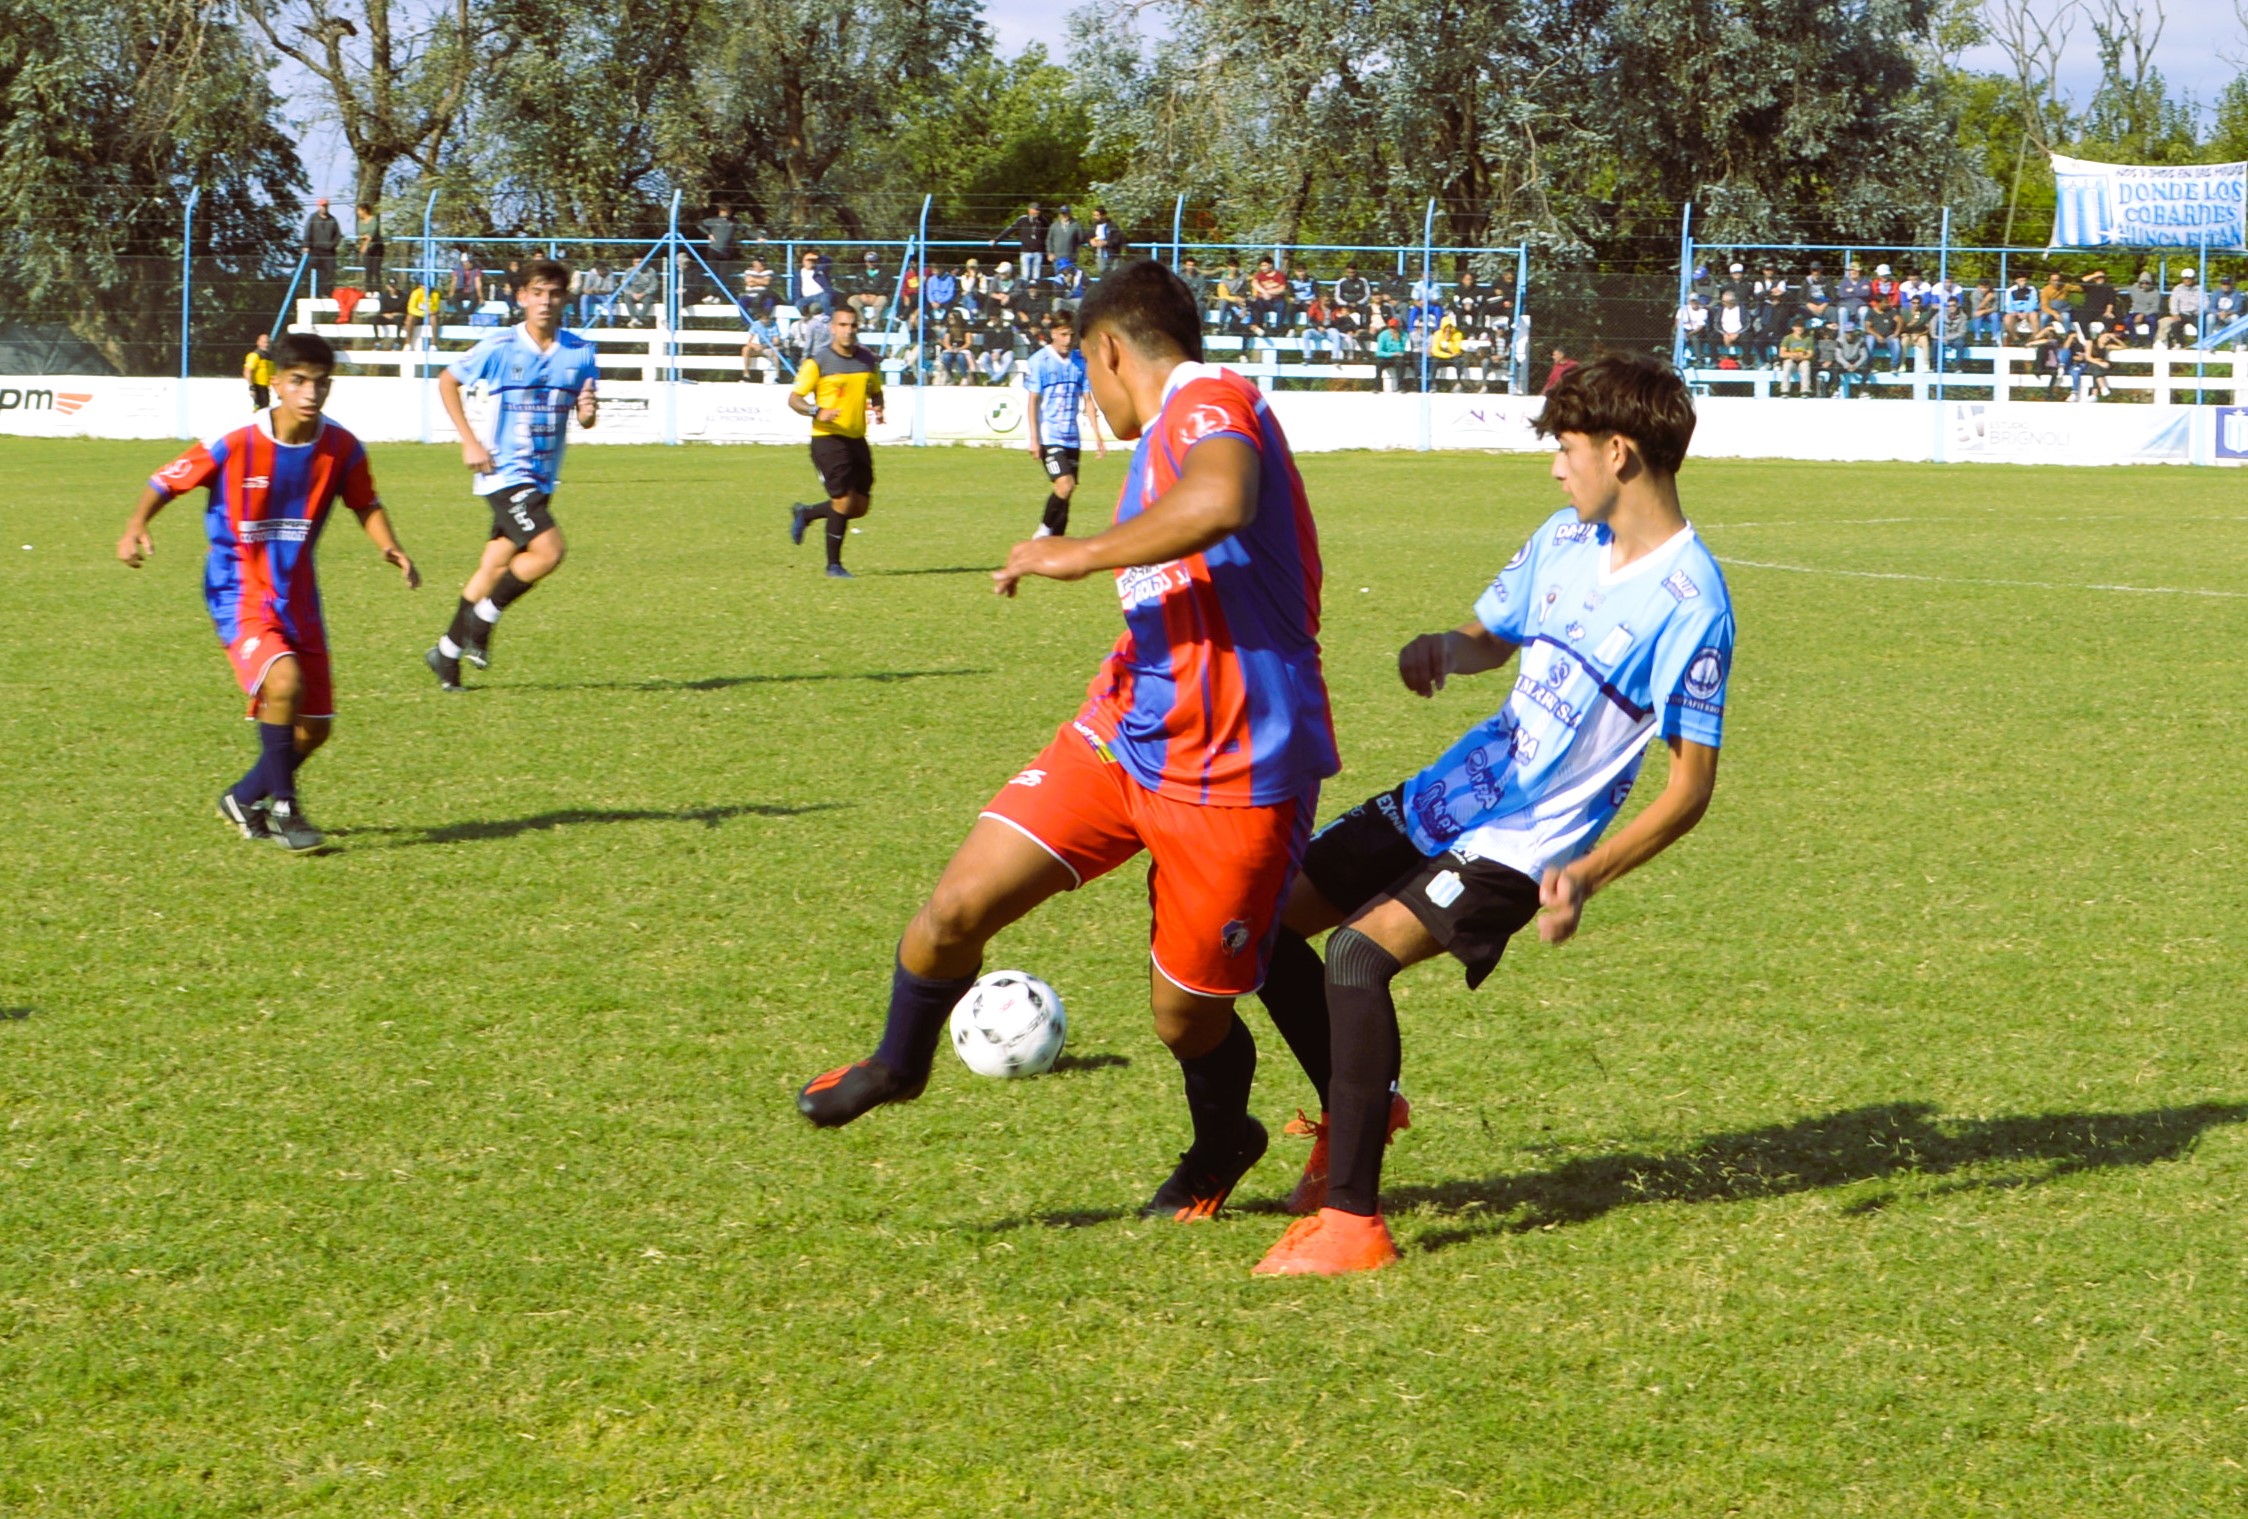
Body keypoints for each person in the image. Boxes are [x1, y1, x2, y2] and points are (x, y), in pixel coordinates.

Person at [793, 260, 1339, 1229]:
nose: (1089, 393)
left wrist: (1072, 551)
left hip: (1233, 769)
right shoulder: (1160, 437)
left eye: (1088, 371)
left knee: (1185, 1018)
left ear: (1109, 350)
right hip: (1121, 733)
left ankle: (1224, 1143)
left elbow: (1222, 500)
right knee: (956, 906)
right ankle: (896, 1063)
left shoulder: (1210, 398)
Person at [1250, 354, 1734, 1276]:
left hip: (1527, 843)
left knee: (1355, 954)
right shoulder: (1563, 537)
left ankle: (1353, 1222)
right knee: (1267, 922)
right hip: (1453, 793)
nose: (1557, 466)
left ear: (1620, 453)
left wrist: (1587, 872)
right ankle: (1364, 1105)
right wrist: (1447, 647)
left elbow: (1690, 786)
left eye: (1567, 447)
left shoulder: (1693, 604)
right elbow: (1494, 636)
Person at [117, 331, 421, 853]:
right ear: (275, 383)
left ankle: (244, 797)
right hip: (237, 587)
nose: (309, 392)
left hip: (299, 595)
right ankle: (284, 807)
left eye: (320, 383)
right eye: (298, 381)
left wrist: (389, 545)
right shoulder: (236, 440)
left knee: (317, 727)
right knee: (283, 683)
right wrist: (135, 525)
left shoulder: (341, 448)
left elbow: (364, 502)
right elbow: (167, 480)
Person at [424, 261, 600, 691]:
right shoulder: (499, 346)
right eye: (537, 292)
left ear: (565, 300)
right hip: (504, 472)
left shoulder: (581, 351)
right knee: (549, 551)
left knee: (495, 564)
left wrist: (588, 411)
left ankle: (446, 653)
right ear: (521, 297)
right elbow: (447, 382)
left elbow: (587, 409)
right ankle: (484, 620)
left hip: (542, 477)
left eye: (554, 293)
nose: (545, 301)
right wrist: (469, 440)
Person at [786, 305, 885, 579]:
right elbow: (794, 399)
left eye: (852, 325)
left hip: (856, 438)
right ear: (832, 328)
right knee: (842, 500)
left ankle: (806, 514)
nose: (848, 330)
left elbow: (875, 391)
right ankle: (834, 566)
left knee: (859, 506)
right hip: (827, 438)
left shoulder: (866, 359)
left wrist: (878, 407)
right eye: (842, 325)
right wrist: (817, 411)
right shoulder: (818, 362)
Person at [1021, 312, 1107, 538]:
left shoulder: (1080, 362)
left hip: (1071, 436)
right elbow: (1032, 402)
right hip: (1049, 435)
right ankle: (1042, 532)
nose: (1068, 340)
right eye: (1063, 335)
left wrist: (1098, 435)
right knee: (1065, 485)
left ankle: (1055, 542)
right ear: (1053, 334)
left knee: (1066, 492)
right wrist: (1034, 438)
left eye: (1071, 335)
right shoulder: (1040, 361)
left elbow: (1088, 400)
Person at [993, 201, 1051, 287]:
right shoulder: (1023, 220)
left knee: (1036, 277)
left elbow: (1050, 234)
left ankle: (1034, 295)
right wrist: (996, 239)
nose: (1037, 212)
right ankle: (1024, 296)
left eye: (1038, 210)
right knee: (1025, 276)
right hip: (1026, 252)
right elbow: (1010, 229)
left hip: (1038, 252)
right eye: (1035, 210)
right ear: (1029, 210)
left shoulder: (1043, 221)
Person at [301, 198, 342, 294]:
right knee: (315, 271)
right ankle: (314, 292)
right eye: (322, 206)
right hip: (315, 250)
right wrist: (306, 245)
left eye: (326, 206)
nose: (324, 208)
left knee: (329, 273)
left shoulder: (333, 220)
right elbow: (308, 232)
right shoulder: (312, 218)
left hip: (329, 252)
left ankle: (327, 293)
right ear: (319, 206)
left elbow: (338, 235)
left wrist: (332, 245)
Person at [701, 205, 741, 296]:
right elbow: (699, 224)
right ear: (720, 211)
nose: (727, 212)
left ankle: (721, 295)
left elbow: (745, 229)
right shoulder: (713, 220)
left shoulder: (734, 222)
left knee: (724, 275)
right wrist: (708, 233)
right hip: (714, 250)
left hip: (726, 252)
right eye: (725, 210)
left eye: (728, 210)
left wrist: (758, 236)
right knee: (713, 274)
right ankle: (713, 294)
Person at [1776, 317, 1815, 394]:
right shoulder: (1788, 338)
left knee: (1806, 365)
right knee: (1787, 366)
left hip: (1803, 359)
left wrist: (1802, 357)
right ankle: (1785, 390)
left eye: (1801, 327)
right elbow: (1781, 354)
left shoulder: (1808, 339)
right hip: (1791, 359)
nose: (1799, 329)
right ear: (1793, 328)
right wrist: (1792, 355)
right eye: (1797, 327)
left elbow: (1810, 354)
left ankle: (1805, 390)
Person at [355, 203, 385, 289]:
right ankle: (369, 290)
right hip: (367, 250)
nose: (358, 213)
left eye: (359, 210)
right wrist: (365, 237)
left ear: (364, 210)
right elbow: (361, 234)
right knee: (368, 270)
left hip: (376, 248)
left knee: (376, 269)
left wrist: (366, 239)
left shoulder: (373, 220)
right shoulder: (360, 222)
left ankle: (377, 290)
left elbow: (372, 233)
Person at [242, 332, 274, 411]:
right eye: (263, 342)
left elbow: (273, 373)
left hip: (265, 387)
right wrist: (251, 387)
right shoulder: (255, 355)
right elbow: (247, 371)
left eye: (267, 342)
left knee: (265, 408)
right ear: (258, 342)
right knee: (261, 410)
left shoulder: (268, 356)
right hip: (258, 387)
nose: (266, 345)